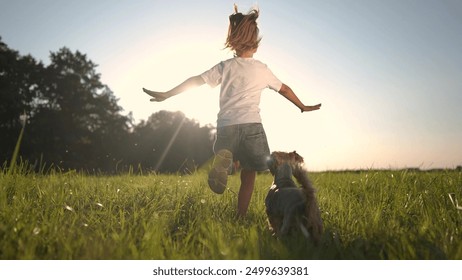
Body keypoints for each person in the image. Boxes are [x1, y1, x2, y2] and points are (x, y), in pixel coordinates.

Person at [143, 6, 321, 217]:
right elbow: (285, 89)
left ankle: (224, 162)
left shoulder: (225, 66)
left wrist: (168, 93)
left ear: (233, 41)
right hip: (252, 126)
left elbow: (196, 80)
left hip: (226, 126)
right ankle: (240, 215)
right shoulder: (262, 69)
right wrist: (303, 106)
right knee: (249, 174)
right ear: (255, 42)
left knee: (227, 153)